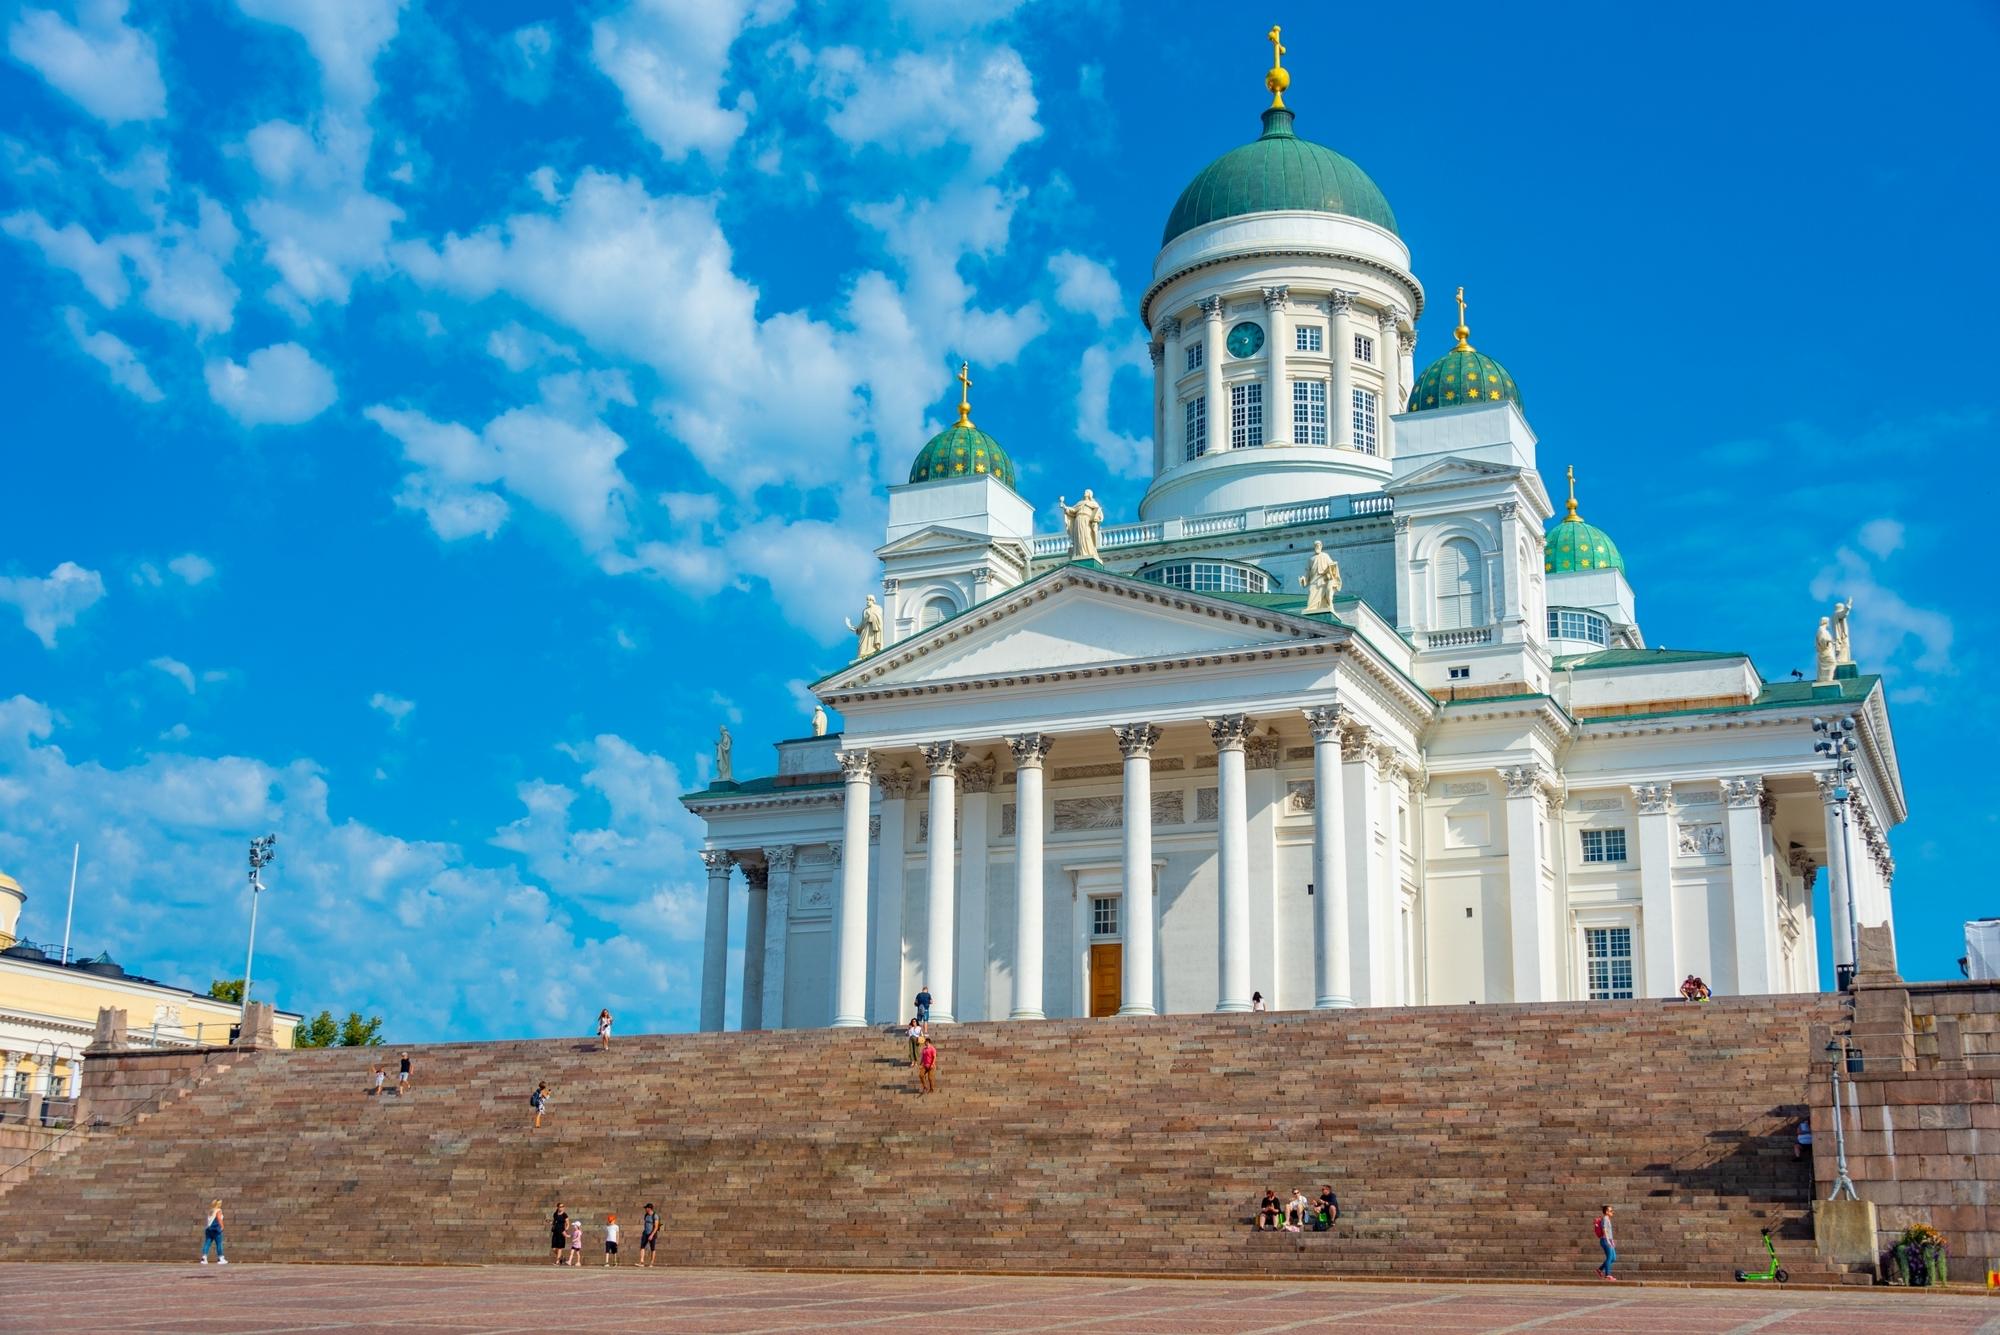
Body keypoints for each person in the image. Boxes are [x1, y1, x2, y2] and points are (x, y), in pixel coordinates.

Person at [1594, 1205, 1617, 1280]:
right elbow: (1604, 1230)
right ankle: (1608, 1275)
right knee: (1609, 1257)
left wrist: (1612, 1240)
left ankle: (1600, 1269)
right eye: (1611, 1211)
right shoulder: (1605, 1219)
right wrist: (1608, 1241)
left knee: (1613, 1258)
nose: (1612, 1212)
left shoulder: (1608, 1219)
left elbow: (1609, 1231)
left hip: (1609, 1240)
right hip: (1605, 1240)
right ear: (1606, 1212)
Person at [200, 1199, 226, 1265]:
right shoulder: (218, 1210)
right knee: (219, 1244)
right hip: (216, 1229)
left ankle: (204, 1257)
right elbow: (219, 1219)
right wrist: (222, 1226)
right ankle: (221, 1258)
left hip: (209, 1229)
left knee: (207, 1243)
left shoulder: (211, 1211)